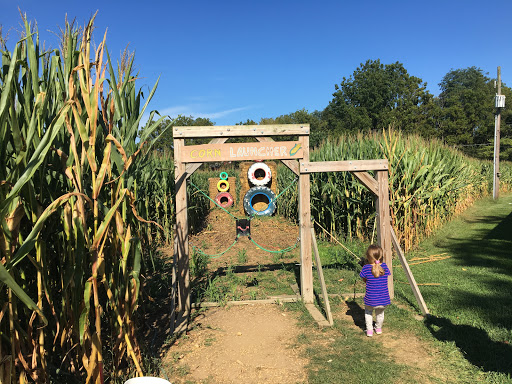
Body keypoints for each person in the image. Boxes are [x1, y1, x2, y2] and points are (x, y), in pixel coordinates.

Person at [359, 244, 391, 337]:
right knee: (380, 314)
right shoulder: (384, 267)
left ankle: (369, 330)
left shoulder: (365, 268)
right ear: (381, 256)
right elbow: (385, 276)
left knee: (368, 313)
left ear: (368, 257)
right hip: (383, 299)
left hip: (370, 299)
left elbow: (364, 279)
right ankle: (378, 328)